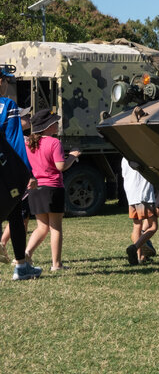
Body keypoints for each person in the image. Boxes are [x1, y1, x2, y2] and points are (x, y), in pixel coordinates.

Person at [24, 107, 80, 271]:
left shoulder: (30, 143)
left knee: (42, 227)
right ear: (47, 126)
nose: (57, 124)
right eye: (54, 122)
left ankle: (26, 252)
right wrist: (73, 156)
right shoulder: (54, 142)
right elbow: (61, 166)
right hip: (53, 188)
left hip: (35, 189)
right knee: (56, 227)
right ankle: (56, 264)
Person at [1, 67, 41, 280]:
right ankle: (21, 266)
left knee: (15, 213)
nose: (8, 85)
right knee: (14, 209)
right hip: (4, 171)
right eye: (7, 81)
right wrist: (28, 173)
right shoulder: (7, 105)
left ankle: (22, 265)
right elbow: (14, 140)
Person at [121, 157, 159, 265]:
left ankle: (139, 257)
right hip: (144, 196)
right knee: (153, 226)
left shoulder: (124, 159)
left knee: (137, 226)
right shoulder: (141, 155)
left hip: (131, 196)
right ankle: (134, 247)